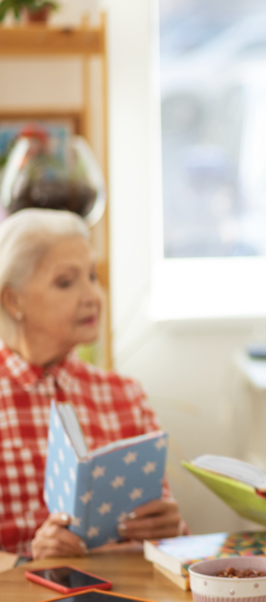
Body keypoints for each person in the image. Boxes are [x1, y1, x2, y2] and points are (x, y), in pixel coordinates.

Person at [0, 209, 184, 559]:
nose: (92, 297)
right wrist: (31, 560)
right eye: (65, 282)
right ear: (14, 300)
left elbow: (170, 539)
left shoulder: (125, 395)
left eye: (92, 276)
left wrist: (171, 530)